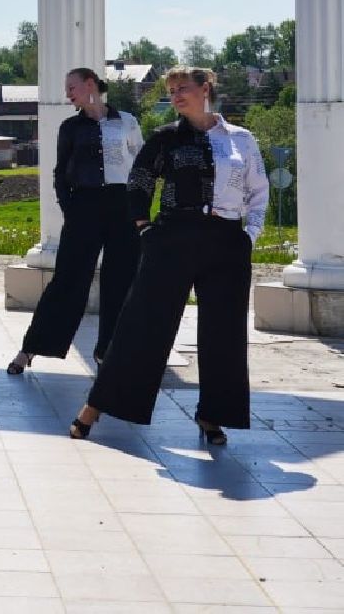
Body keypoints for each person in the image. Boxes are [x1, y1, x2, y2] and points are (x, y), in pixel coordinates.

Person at [70, 67, 268, 447]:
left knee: (224, 333)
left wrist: (249, 235)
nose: (176, 95)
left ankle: (214, 415)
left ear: (205, 89)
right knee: (141, 326)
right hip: (173, 236)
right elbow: (138, 182)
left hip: (227, 240)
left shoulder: (242, 140)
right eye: (172, 90)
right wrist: (145, 229)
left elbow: (258, 190)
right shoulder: (166, 139)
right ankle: (94, 408)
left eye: (184, 88)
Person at [8, 68, 144, 374]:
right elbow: (59, 173)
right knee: (68, 279)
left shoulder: (127, 121)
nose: (68, 93)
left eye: (72, 87)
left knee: (121, 280)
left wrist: (140, 209)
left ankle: (108, 351)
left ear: (90, 84)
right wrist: (72, 208)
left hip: (123, 206)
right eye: (66, 88)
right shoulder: (70, 127)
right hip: (84, 206)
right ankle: (30, 349)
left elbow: (140, 167)